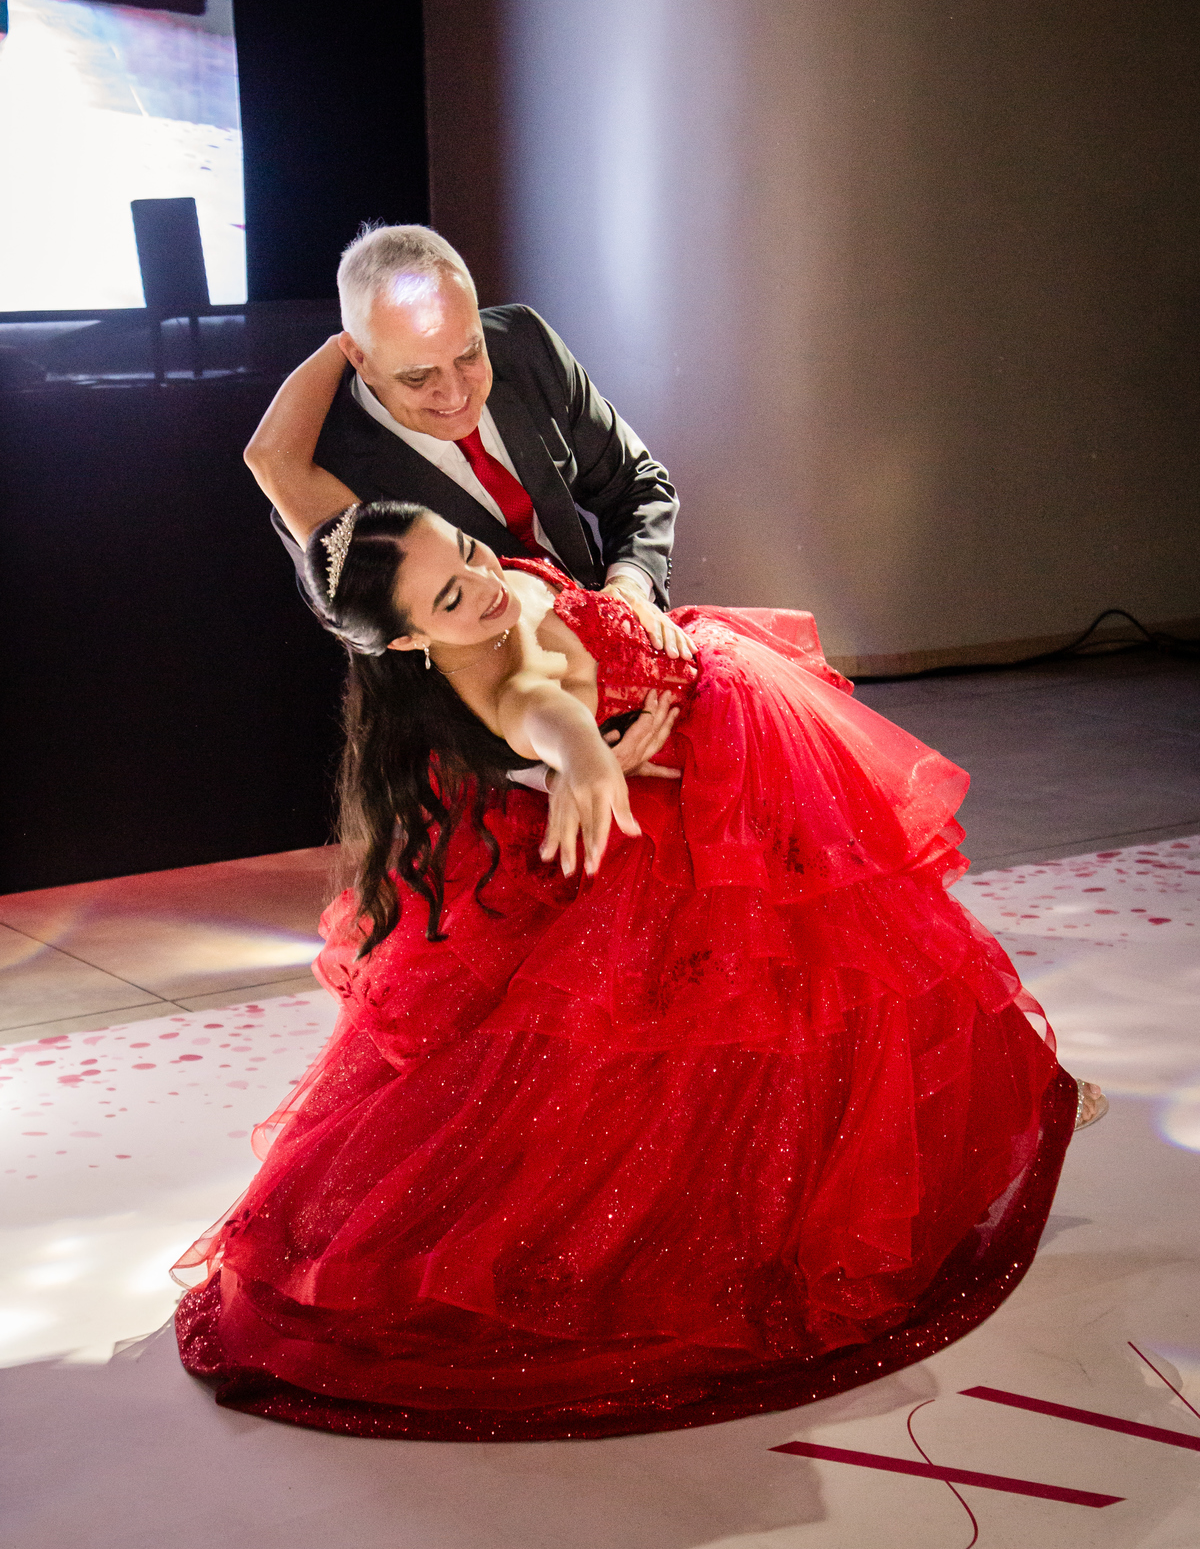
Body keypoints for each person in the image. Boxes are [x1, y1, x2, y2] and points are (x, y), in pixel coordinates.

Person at [174, 495, 1105, 1442]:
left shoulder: (482, 588)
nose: (485, 584)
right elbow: (538, 704)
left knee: (869, 956)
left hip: (745, 720)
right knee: (784, 995)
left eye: (468, 551)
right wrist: (582, 758)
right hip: (718, 777)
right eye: (451, 597)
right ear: (410, 641)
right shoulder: (497, 683)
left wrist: (619, 596)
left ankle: (1010, 1093)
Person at [245, 222, 694, 661]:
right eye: (418, 377)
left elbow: (636, 484)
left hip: (633, 648)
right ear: (359, 357)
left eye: (469, 354)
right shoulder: (325, 480)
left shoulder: (524, 343)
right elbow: (393, 662)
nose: (456, 394)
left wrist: (629, 587)